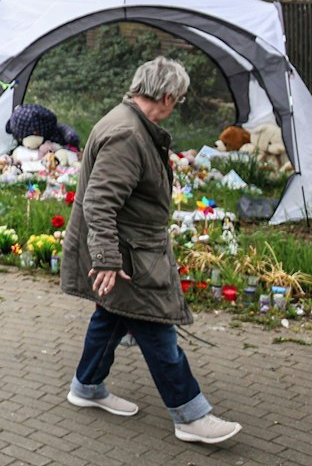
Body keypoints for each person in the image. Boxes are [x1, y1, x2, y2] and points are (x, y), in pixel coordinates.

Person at [59, 56, 242, 444]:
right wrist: (108, 259)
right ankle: (190, 415)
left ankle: (87, 386)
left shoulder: (130, 123)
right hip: (129, 259)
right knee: (158, 328)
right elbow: (99, 202)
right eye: (180, 99)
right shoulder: (128, 134)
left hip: (131, 252)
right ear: (169, 96)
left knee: (112, 315)